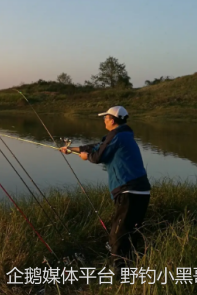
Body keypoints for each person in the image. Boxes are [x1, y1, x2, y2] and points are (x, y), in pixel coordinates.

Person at [60, 106, 151, 274]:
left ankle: (119, 275)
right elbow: (97, 146)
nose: (104, 120)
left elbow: (97, 156)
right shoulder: (123, 135)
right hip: (140, 191)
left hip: (128, 191)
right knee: (131, 231)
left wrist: (86, 157)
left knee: (119, 234)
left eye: (106, 118)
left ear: (113, 120)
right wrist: (71, 149)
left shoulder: (117, 137)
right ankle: (130, 269)